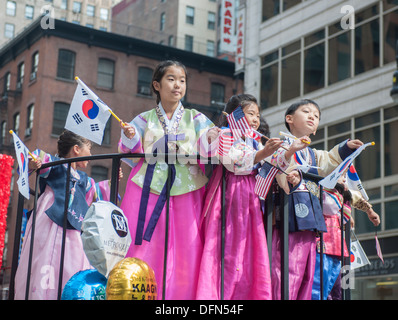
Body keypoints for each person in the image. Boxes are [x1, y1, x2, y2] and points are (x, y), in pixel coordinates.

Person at [118, 60, 218, 300]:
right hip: (148, 188)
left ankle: (183, 297)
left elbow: (209, 148)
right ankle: (138, 290)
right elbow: (128, 150)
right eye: (171, 79)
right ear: (157, 85)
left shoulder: (197, 118)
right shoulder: (144, 119)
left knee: (187, 244)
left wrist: (213, 137)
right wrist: (130, 135)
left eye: (182, 81)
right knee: (143, 242)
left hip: (187, 188)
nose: (177, 85)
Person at [270, 99, 364, 300]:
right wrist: (288, 163)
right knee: (286, 273)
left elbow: (329, 161)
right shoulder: (279, 146)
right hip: (287, 219)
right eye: (306, 112)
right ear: (289, 119)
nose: (313, 116)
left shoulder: (313, 154)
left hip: (309, 223)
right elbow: (277, 170)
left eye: (317, 116)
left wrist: (345, 147)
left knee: (306, 276)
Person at [196, 94, 283, 300]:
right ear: (235, 114)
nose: (256, 119)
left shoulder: (253, 140)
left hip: (250, 194)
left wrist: (287, 152)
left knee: (249, 246)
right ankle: (220, 295)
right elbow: (231, 162)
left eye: (258, 115)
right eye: (250, 113)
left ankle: (248, 293)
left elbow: (270, 161)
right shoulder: (225, 134)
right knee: (228, 243)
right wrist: (263, 155)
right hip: (232, 191)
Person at [14, 130, 113, 300]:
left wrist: (113, 182)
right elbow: (32, 159)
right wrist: (33, 164)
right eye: (88, 149)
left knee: (71, 262)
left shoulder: (84, 179)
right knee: (44, 259)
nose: (90, 155)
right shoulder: (53, 164)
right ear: (76, 149)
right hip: (49, 219)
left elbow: (96, 195)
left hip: (74, 228)